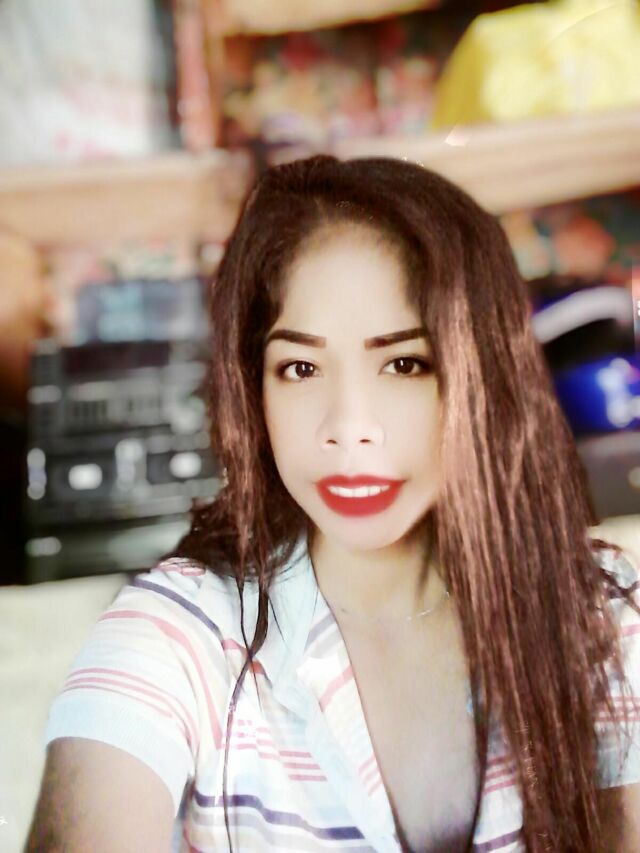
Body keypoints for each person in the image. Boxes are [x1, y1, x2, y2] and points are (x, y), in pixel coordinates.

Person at [27, 155, 640, 852]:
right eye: (301, 367)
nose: (348, 427)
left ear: (483, 374)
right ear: (253, 387)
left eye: (404, 363)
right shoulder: (179, 633)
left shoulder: (598, 613)